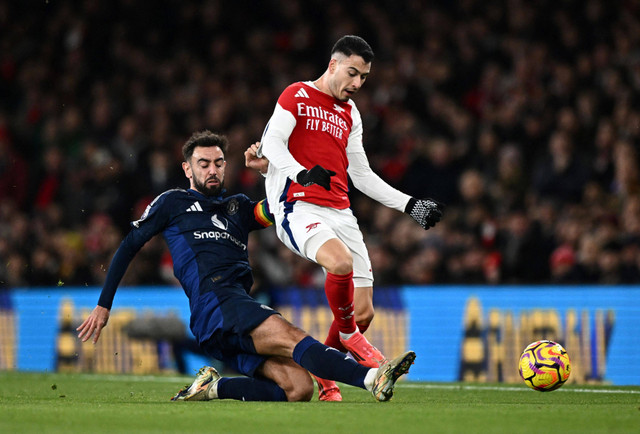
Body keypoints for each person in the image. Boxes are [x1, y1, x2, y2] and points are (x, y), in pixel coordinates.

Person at [76, 130, 415, 402]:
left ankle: (213, 388)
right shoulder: (172, 203)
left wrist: (270, 172)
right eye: (203, 163)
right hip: (215, 301)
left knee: (297, 388)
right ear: (187, 169)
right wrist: (104, 305)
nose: (212, 170)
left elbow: (283, 207)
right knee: (292, 336)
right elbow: (128, 246)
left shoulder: (237, 207)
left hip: (230, 309)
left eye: (219, 163)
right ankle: (372, 377)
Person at [255, 35, 443, 401]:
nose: (357, 84)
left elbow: (361, 174)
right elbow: (272, 144)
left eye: (364, 77)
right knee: (339, 266)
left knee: (364, 310)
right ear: (333, 65)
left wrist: (409, 205)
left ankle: (325, 378)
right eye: (353, 73)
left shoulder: (350, 113)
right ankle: (348, 337)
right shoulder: (297, 94)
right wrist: (301, 173)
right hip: (298, 206)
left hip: (341, 211)